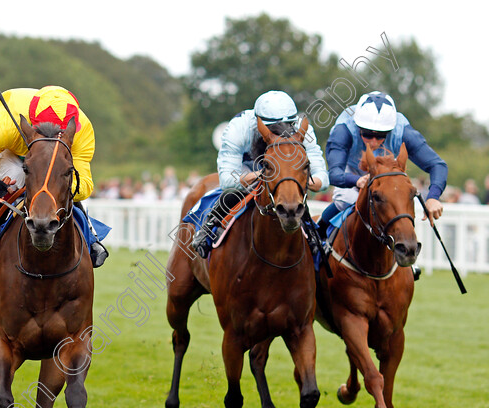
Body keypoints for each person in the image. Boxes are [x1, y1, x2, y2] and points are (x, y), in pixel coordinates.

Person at [0, 85, 108, 268]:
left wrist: (62, 183)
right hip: (10, 150)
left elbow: (84, 185)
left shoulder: (81, 130)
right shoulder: (7, 126)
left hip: (56, 159)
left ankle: (91, 238)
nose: (53, 142)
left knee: (63, 178)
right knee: (18, 177)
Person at [318, 91, 448, 280]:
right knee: (346, 199)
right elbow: (334, 173)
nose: (373, 142)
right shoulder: (344, 129)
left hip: (386, 171)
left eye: (380, 136)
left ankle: (405, 253)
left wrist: (433, 196)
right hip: (352, 171)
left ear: (390, 130)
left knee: (393, 203)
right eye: (367, 135)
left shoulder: (404, 131)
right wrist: (356, 181)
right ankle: (318, 237)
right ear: (358, 126)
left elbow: (438, 165)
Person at [192, 90, 329, 257]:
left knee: (292, 191)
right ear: (259, 123)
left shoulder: (301, 128)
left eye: (287, 128)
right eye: (275, 129)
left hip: (282, 168)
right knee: (239, 190)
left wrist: (306, 181)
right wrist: (260, 175)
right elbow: (228, 180)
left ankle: (313, 237)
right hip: (246, 166)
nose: (281, 133)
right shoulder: (238, 127)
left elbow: (322, 177)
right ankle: (209, 225)